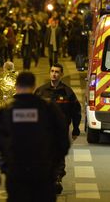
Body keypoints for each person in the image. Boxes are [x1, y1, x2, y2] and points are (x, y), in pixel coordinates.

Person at [0, 71, 70, 202]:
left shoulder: (5, 111)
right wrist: (54, 167)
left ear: (16, 86)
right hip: (43, 173)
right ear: (33, 86)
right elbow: (63, 140)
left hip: (15, 173)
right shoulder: (48, 109)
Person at [34, 63, 81, 194]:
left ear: (61, 75)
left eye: (57, 72)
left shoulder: (67, 92)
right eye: (52, 71)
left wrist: (76, 128)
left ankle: (57, 178)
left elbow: (76, 111)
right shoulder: (41, 91)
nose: (54, 74)